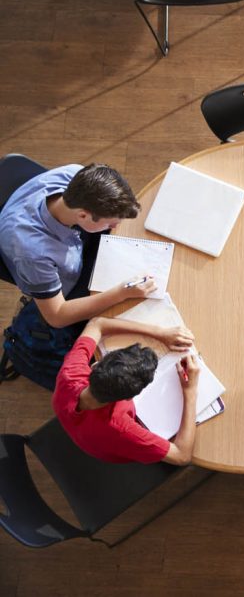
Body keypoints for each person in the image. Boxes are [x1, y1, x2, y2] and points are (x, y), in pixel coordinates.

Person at [0, 163, 156, 329]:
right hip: (64, 284)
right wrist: (121, 293)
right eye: (110, 223)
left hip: (74, 241)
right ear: (82, 215)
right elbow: (57, 316)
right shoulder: (34, 254)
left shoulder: (74, 173)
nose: (115, 227)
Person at [52, 317, 200, 465]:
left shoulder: (70, 373)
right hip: (118, 449)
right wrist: (190, 391)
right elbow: (182, 456)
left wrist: (159, 332)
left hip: (81, 432)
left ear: (96, 366)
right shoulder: (120, 429)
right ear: (129, 398)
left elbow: (96, 324)